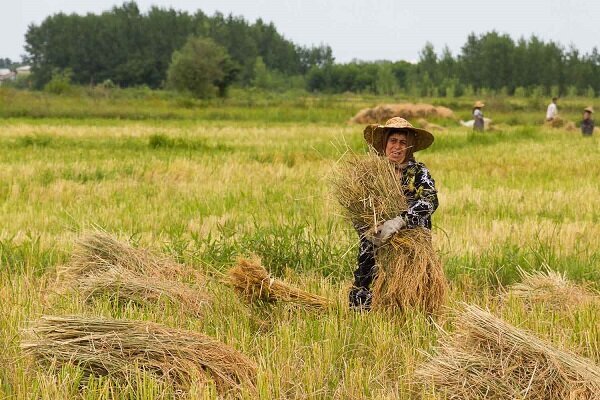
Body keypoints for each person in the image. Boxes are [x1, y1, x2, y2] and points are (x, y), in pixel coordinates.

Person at [349, 117, 438, 310]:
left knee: (413, 291)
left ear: (410, 147)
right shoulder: (371, 173)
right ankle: (362, 318)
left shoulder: (418, 172)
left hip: (411, 243)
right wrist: (369, 228)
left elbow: (431, 201)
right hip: (375, 242)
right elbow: (356, 207)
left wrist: (400, 221)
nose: (397, 147)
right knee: (365, 282)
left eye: (403, 142)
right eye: (393, 141)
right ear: (384, 143)